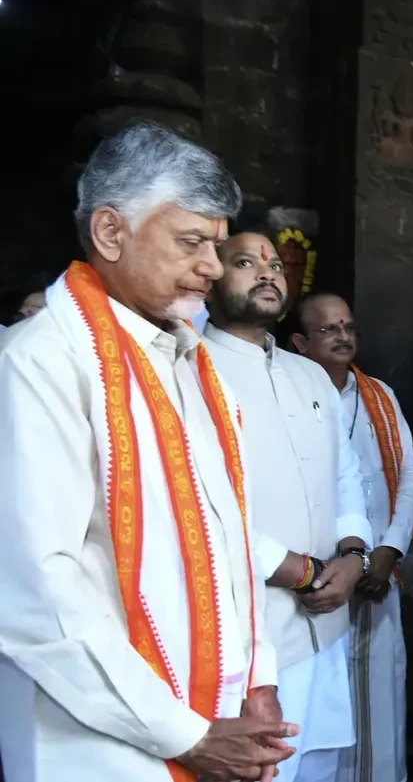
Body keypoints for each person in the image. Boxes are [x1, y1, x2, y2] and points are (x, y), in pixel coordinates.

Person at [0, 123, 297, 782]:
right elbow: (36, 591)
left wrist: (257, 675)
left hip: (215, 714)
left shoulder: (189, 361)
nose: (213, 266)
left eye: (216, 244)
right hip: (100, 742)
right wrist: (186, 734)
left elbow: (226, 534)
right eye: (192, 242)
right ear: (111, 232)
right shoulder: (41, 362)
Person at [203, 230, 374, 782]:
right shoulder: (191, 370)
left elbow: (343, 473)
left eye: (275, 265)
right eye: (245, 262)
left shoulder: (309, 374)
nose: (267, 273)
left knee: (321, 768)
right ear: (208, 276)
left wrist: (354, 554)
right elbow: (202, 507)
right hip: (252, 642)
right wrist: (302, 571)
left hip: (327, 627)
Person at [291, 292, 413, 782]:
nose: (343, 336)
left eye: (348, 326)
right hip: (314, 580)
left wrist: (389, 550)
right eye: (328, 329)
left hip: (378, 575)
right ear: (300, 343)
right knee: (322, 709)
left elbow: (410, 476)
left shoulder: (379, 396)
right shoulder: (286, 396)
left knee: (380, 704)